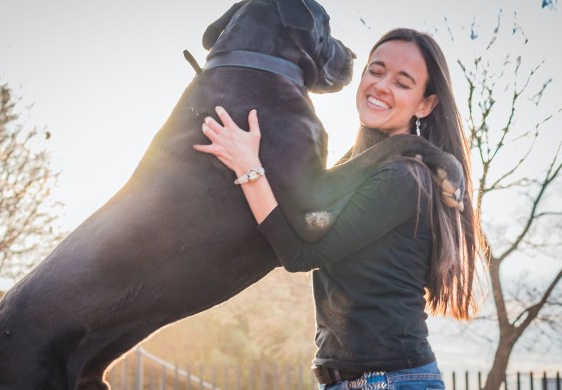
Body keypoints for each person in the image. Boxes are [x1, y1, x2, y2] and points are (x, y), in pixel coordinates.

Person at [194, 28, 483, 390]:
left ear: (425, 104)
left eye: (403, 82)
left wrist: (248, 169)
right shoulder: (360, 166)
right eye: (376, 71)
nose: (381, 86)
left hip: (389, 381)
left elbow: (301, 253)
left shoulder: (404, 179)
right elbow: (306, 215)